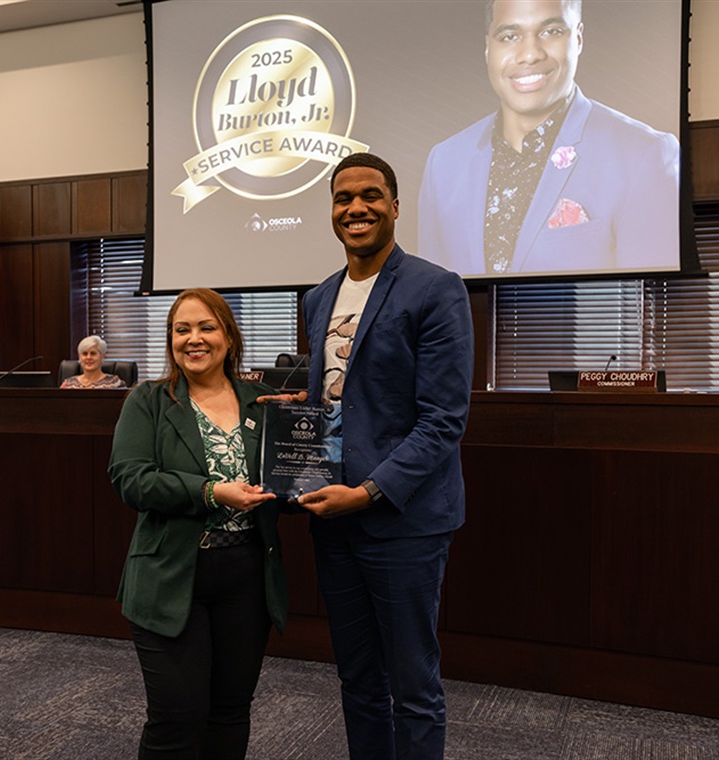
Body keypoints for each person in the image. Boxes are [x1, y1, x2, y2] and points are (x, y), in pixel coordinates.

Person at [298, 153, 474, 759]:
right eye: (344, 198)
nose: (356, 208)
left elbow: (444, 420)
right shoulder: (319, 298)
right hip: (333, 520)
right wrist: (299, 405)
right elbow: (347, 395)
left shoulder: (435, 288)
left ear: (395, 206)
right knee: (357, 681)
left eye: (371, 196)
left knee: (413, 686)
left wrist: (368, 492)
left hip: (403, 522)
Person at [108, 288, 288, 760]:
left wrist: (309, 439)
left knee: (229, 712)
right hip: (168, 576)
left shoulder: (263, 403)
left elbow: (283, 486)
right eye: (181, 329)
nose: (194, 339)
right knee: (177, 719)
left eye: (207, 327)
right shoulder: (148, 400)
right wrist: (210, 492)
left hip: (246, 580)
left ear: (229, 336)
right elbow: (131, 481)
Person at [418, 0, 680, 276]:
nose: (530, 54)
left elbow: (654, 305)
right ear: (488, 48)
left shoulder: (644, 156)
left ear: (577, 38)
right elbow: (432, 306)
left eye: (550, 31)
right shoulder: (444, 163)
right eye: (509, 36)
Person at [60, 335, 126, 389]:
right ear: (79, 357)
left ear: (102, 357)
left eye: (93, 353)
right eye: (85, 354)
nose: (88, 357)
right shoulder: (67, 384)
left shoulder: (115, 383)